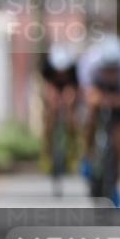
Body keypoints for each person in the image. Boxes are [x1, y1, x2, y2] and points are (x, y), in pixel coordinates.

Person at [77, 34, 120, 206]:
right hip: (98, 91)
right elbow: (88, 94)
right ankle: (87, 155)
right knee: (90, 117)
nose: (110, 72)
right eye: (107, 68)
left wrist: (113, 100)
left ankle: (114, 185)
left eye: (114, 69)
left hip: (119, 95)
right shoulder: (88, 63)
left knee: (118, 143)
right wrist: (99, 99)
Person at [39, 43, 80, 173]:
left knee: (71, 115)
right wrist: (52, 101)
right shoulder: (47, 68)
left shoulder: (74, 70)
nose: (61, 73)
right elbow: (46, 87)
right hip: (53, 87)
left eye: (64, 71)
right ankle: (47, 151)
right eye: (59, 71)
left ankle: (73, 150)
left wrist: (70, 101)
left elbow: (75, 89)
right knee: (50, 114)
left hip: (68, 87)